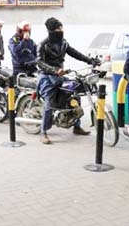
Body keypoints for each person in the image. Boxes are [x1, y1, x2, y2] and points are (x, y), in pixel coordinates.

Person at [36, 17, 101, 145]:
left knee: (75, 95)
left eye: (61, 28)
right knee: (49, 102)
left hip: (60, 75)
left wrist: (91, 60)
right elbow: (39, 62)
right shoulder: (43, 44)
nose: (61, 30)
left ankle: (76, 126)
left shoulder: (63, 43)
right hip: (46, 76)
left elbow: (75, 53)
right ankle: (43, 132)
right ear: (51, 30)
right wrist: (54, 70)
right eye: (58, 28)